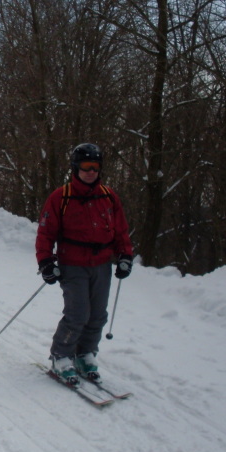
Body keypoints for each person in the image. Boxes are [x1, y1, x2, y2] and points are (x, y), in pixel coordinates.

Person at [35, 143, 133, 385]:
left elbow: (120, 230)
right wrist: (46, 262)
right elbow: (45, 233)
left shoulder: (108, 196)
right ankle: (61, 356)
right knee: (78, 313)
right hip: (73, 264)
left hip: (102, 264)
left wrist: (125, 256)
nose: (91, 171)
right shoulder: (62, 197)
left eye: (96, 167)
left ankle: (85, 354)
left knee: (98, 315)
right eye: (86, 166)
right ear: (75, 167)